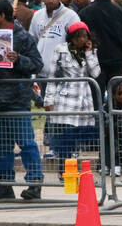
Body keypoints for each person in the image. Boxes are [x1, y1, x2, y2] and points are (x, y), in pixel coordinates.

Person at [0, 0, 45, 200]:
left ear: (2, 15)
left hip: (16, 100)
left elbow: (36, 64)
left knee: (26, 142)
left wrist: (19, 60)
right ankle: (5, 184)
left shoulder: (23, 37)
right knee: (0, 146)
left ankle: (34, 182)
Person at [43, 22, 102, 163]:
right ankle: (63, 162)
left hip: (84, 97)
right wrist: (48, 100)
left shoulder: (92, 51)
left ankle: (73, 158)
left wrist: (89, 54)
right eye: (77, 37)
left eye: (84, 36)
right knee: (65, 131)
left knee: (79, 131)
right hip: (65, 97)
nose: (81, 40)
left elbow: (95, 73)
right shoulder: (60, 49)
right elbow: (52, 76)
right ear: (71, 37)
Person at [83, 0, 122, 96]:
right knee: (117, 96)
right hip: (117, 60)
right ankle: (115, 115)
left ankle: (97, 115)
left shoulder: (85, 13)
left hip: (94, 61)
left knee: (96, 97)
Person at [28, 0, 80, 81]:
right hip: (41, 73)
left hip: (63, 74)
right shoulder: (37, 16)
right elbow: (32, 40)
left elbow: (78, 42)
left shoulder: (71, 16)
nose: (51, 0)